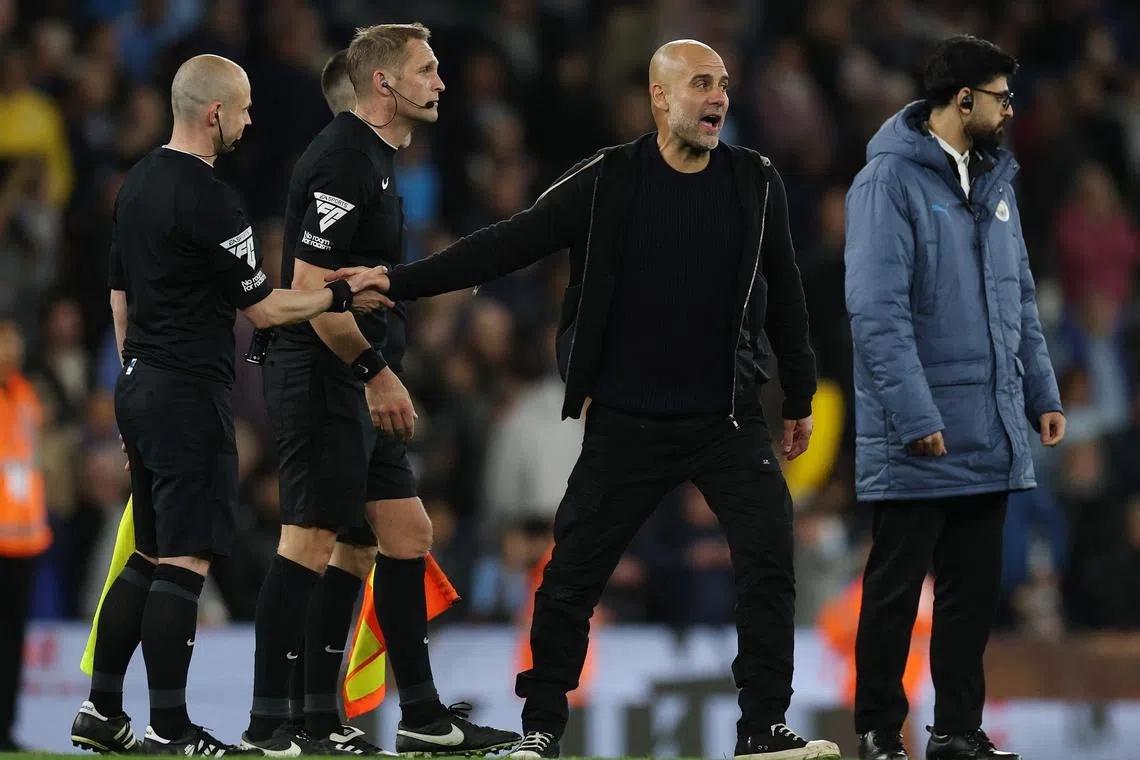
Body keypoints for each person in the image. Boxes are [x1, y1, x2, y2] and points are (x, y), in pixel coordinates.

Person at [331, 39, 842, 760]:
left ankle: (762, 727)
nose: (719, 98)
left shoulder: (755, 179)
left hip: (724, 421)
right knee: (570, 577)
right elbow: (510, 242)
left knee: (769, 564)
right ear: (660, 97)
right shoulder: (610, 178)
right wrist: (401, 280)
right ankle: (541, 730)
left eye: (724, 84)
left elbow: (784, 292)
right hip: (627, 420)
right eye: (701, 84)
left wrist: (798, 394)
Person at [68, 53, 390, 757]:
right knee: (184, 561)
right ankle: (172, 727)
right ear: (214, 113)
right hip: (187, 394)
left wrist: (133, 381)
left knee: (147, 555)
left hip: (143, 384)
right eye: (242, 109)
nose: (249, 120)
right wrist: (339, 294)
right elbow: (268, 309)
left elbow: (119, 297)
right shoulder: (213, 200)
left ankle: (101, 711)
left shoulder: (137, 185)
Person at [241, 24, 520, 757]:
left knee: (397, 536)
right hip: (323, 374)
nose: (441, 82)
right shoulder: (342, 160)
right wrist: (376, 374)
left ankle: (411, 717)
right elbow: (306, 288)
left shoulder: (378, 160)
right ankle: (273, 723)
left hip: (353, 371)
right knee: (310, 538)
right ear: (385, 85)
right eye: (427, 70)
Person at [844, 36, 1065, 760]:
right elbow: (877, 312)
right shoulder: (888, 182)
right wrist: (915, 415)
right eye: (1001, 96)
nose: (1011, 109)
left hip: (990, 423)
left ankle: (957, 733)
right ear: (962, 99)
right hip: (922, 430)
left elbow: (1019, 299)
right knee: (895, 592)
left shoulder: (998, 182)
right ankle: (879, 732)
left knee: (972, 595)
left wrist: (1040, 393)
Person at [0, 318, 50, 752]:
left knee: (13, 643)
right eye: (4, 341)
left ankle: (6, 730)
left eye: (15, 341)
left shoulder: (26, 396)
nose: (11, 349)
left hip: (25, 541)